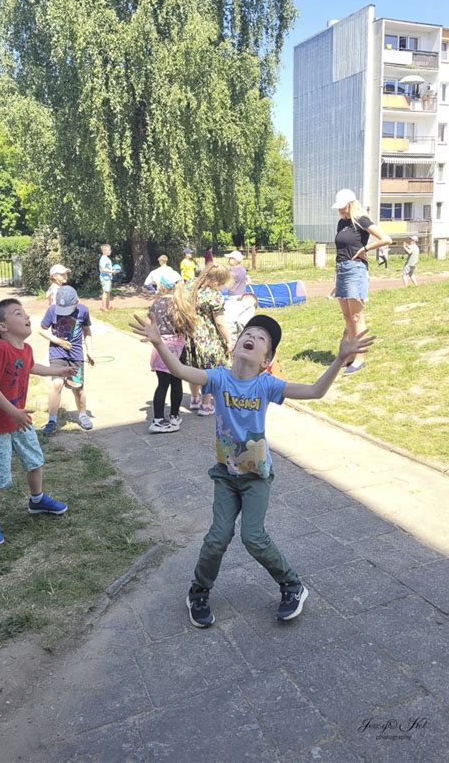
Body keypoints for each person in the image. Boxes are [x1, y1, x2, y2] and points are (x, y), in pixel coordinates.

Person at [129, 310, 375, 627]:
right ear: (235, 346)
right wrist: (159, 344)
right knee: (217, 538)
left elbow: (315, 391)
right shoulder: (218, 378)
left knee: (253, 537)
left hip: (257, 477)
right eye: (249, 333)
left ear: (265, 360)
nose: (252, 337)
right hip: (226, 477)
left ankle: (292, 585)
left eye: (261, 339)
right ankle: (198, 591)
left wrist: (340, 360)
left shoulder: (266, 385)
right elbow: (178, 369)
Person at [0, 299, 76, 545]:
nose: (26, 316)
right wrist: (13, 411)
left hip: (19, 420)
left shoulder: (25, 349)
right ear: (3, 326)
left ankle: (37, 500)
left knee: (34, 459)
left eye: (25, 312)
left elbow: (32, 367)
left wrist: (58, 371)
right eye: (18, 313)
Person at [332, 189, 392, 376]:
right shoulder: (341, 223)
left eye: (342, 207)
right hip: (341, 269)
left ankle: (360, 358)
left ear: (350, 204)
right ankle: (350, 355)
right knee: (347, 316)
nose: (340, 210)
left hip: (355, 269)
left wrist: (366, 248)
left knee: (357, 317)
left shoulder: (362, 220)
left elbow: (386, 239)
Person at [39, 286, 95, 434]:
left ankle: (82, 415)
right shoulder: (52, 310)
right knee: (57, 384)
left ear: (77, 302)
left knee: (77, 387)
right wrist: (58, 341)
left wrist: (90, 351)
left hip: (76, 355)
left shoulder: (83, 310)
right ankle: (52, 420)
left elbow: (87, 331)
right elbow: (42, 329)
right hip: (57, 353)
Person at [147, 271, 196, 433]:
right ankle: (175, 415)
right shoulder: (180, 304)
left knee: (162, 384)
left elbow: (150, 323)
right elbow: (188, 326)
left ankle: (158, 418)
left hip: (160, 346)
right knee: (177, 382)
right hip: (178, 346)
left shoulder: (156, 303)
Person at [186, 264, 233, 416]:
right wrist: (228, 340)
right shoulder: (214, 296)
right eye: (221, 285)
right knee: (209, 370)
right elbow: (219, 322)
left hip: (190, 334)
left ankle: (194, 398)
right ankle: (206, 404)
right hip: (208, 338)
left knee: (193, 368)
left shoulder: (192, 288)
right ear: (215, 283)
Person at [99, 244, 119, 311]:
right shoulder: (103, 259)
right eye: (109, 250)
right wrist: (112, 272)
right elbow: (103, 269)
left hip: (108, 278)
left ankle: (108, 306)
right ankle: (104, 307)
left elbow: (108, 268)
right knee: (105, 292)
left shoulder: (107, 259)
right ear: (104, 251)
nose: (110, 251)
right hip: (105, 278)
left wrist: (113, 269)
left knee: (108, 292)